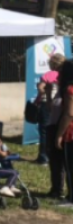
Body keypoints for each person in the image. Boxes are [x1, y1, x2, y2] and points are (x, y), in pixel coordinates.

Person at [44, 55, 68, 199]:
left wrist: (60, 133)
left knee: (61, 161)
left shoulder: (67, 91)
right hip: (53, 125)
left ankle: (59, 190)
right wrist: (47, 93)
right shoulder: (59, 91)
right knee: (54, 161)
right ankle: (56, 189)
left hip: (61, 128)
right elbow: (50, 108)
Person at [36, 53, 65, 166]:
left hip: (46, 103)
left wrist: (46, 92)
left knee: (44, 130)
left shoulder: (48, 74)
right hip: (60, 104)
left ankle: (43, 157)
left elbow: (40, 87)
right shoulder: (64, 75)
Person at [54, 59, 73, 206]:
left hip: (71, 132)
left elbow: (69, 114)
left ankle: (71, 198)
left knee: (70, 166)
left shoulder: (69, 90)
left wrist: (59, 135)